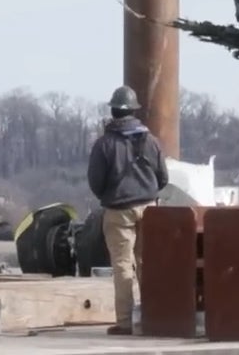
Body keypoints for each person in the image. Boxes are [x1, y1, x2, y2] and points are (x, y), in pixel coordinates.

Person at [87, 85, 169, 336]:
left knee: (123, 267)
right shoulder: (151, 141)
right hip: (149, 209)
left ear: (113, 111)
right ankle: (152, 318)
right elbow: (163, 178)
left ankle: (125, 322)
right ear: (134, 112)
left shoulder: (104, 144)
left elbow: (95, 181)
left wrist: (111, 197)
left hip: (118, 209)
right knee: (148, 264)